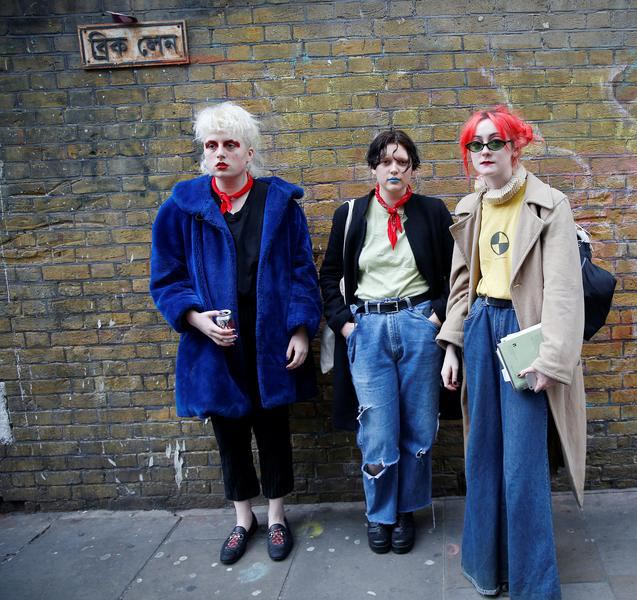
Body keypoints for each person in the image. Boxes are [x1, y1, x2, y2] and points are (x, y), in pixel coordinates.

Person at [150, 101, 321, 565]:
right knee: (229, 431)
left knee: (273, 428)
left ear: (248, 152)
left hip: (270, 338)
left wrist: (301, 330)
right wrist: (194, 318)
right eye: (211, 145)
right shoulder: (182, 208)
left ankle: (278, 517)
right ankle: (242, 519)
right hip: (215, 342)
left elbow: (302, 271)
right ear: (204, 154)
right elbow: (166, 278)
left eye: (230, 144)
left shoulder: (279, 204)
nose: (220, 153)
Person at [437, 106, 586, 599]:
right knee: (482, 454)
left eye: (493, 142)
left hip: (527, 334)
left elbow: (565, 291)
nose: (483, 152)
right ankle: (487, 567)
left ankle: (533, 585)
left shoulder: (550, 205)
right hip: (481, 328)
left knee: (523, 463)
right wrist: (452, 346)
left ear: (514, 147)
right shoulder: (469, 206)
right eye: (475, 145)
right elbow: (462, 285)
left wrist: (552, 358)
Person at [319, 130, 454, 555]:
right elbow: (328, 276)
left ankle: (408, 511)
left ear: (412, 168)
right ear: (373, 167)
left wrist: (437, 317)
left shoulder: (432, 212)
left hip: (418, 325)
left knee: (417, 426)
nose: (394, 169)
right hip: (368, 329)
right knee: (376, 429)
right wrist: (344, 326)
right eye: (386, 162)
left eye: (402, 162)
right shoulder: (352, 213)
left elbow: (457, 276)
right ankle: (380, 513)